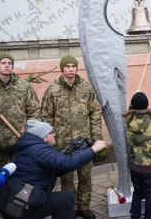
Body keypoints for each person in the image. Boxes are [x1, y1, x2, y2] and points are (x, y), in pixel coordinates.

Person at [41, 55, 103, 219]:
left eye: (73, 66)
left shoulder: (86, 89)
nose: (70, 69)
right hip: (63, 144)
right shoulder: (53, 91)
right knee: (67, 179)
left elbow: (95, 112)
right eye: (67, 66)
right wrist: (50, 141)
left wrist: (95, 137)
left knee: (85, 176)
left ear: (76, 68)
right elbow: (46, 117)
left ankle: (84, 206)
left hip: (84, 142)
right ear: (62, 69)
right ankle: (70, 207)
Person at [10, 120, 106, 219]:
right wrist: (93, 149)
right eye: (51, 132)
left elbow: (55, 168)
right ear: (43, 136)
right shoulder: (40, 150)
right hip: (23, 208)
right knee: (67, 198)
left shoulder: (30, 148)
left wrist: (76, 157)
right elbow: (67, 163)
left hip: (16, 204)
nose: (55, 134)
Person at [122, 92, 151, 219]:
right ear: (147, 105)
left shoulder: (128, 121)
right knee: (150, 194)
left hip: (134, 164)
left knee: (137, 191)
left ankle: (135, 216)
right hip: (150, 166)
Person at [0, 53, 40, 170]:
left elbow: (34, 111)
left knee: (20, 177)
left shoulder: (23, 86)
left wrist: (30, 135)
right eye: (3, 63)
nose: (6, 66)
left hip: (19, 141)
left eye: (9, 63)